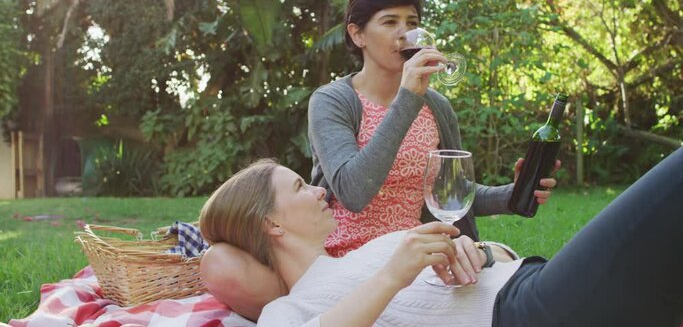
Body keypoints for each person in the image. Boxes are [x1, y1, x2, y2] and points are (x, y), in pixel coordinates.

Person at [199, 148, 683, 327]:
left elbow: (497, 259)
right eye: (301, 186)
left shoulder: (364, 252)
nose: (320, 189)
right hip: (524, 313)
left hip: (533, 280)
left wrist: (482, 251)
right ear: (272, 225)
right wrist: (391, 276)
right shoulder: (288, 310)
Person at [307, 0, 559, 257]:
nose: (404, 33)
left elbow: (451, 192)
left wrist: (514, 194)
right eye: (390, 22)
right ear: (358, 34)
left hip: (419, 253)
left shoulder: (435, 106)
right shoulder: (331, 101)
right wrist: (407, 99)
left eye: (412, 23)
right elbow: (353, 193)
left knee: (514, 267)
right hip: (348, 254)